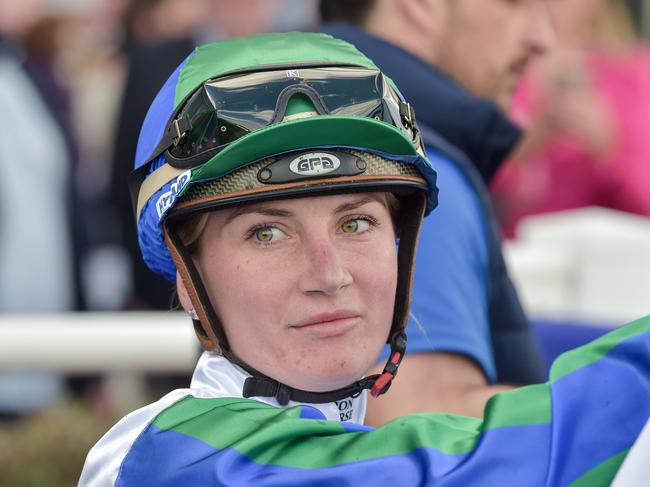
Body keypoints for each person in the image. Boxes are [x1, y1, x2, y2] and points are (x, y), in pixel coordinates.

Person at [78, 32, 650, 487]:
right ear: (186, 276)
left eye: (356, 223)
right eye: (267, 234)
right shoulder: (164, 461)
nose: (330, 275)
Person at [318, 0, 553, 423]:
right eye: (516, 4)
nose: (542, 39)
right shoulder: (419, 179)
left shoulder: (299, 144)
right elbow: (422, 426)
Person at [491, 0, 650, 238]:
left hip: (612, 258)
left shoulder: (633, 72)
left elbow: (643, 202)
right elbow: (470, 185)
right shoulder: (498, 68)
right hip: (524, 257)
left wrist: (608, 150)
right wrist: (528, 145)